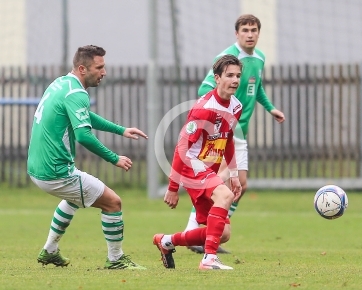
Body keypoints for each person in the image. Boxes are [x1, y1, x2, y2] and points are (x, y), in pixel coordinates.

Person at [27, 45, 148, 270]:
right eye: (99, 67)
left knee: (74, 199)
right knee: (113, 202)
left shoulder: (62, 83)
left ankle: (50, 250)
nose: (104, 72)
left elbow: (85, 116)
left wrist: (121, 130)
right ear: (83, 69)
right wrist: (114, 158)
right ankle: (116, 259)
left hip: (37, 167)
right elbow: (83, 135)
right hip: (56, 172)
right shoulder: (77, 93)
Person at [185, 14, 286, 254]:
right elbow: (204, 88)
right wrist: (220, 115)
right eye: (245, 30)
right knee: (219, 184)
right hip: (225, 131)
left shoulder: (259, 58)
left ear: (259, 33)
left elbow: (256, 86)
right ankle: (197, 235)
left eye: (254, 30)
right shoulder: (227, 58)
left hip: (241, 130)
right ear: (237, 33)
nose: (250, 34)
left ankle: (213, 232)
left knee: (240, 184)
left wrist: (270, 108)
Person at [153, 54, 243, 270]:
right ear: (217, 78)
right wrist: (173, 187)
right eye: (229, 75)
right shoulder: (204, 108)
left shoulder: (236, 106)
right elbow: (181, 148)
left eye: (238, 75)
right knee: (225, 195)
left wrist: (234, 173)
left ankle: (166, 241)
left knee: (223, 234)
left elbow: (228, 138)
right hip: (192, 166)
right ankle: (208, 259)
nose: (235, 80)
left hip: (208, 171)